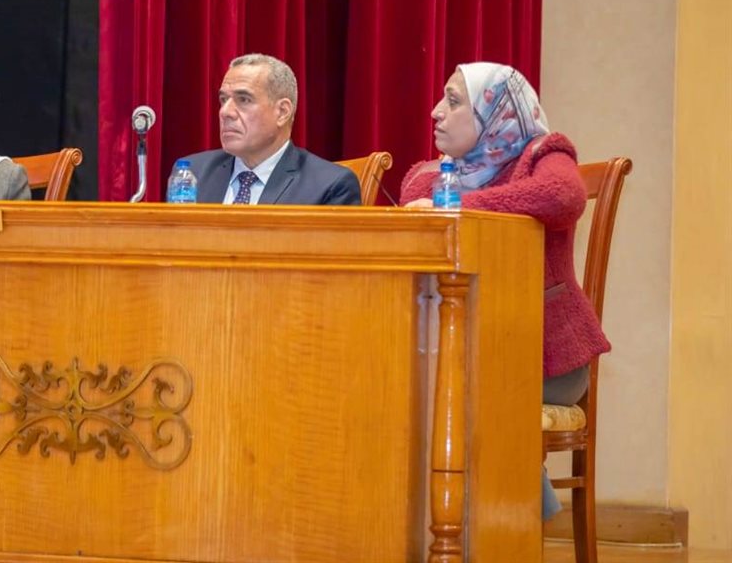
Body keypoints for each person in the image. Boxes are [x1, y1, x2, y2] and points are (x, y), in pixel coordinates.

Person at [399, 61, 611, 519]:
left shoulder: (542, 155)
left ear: (496, 112)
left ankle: (512, 526)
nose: (436, 111)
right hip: (448, 348)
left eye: (454, 101)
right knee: (397, 385)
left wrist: (456, 205)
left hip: (544, 356)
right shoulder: (425, 178)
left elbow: (562, 196)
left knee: (455, 389)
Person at [176, 53, 360, 205]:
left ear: (282, 112)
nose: (225, 112)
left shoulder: (329, 186)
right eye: (224, 100)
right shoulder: (192, 172)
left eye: (244, 99)